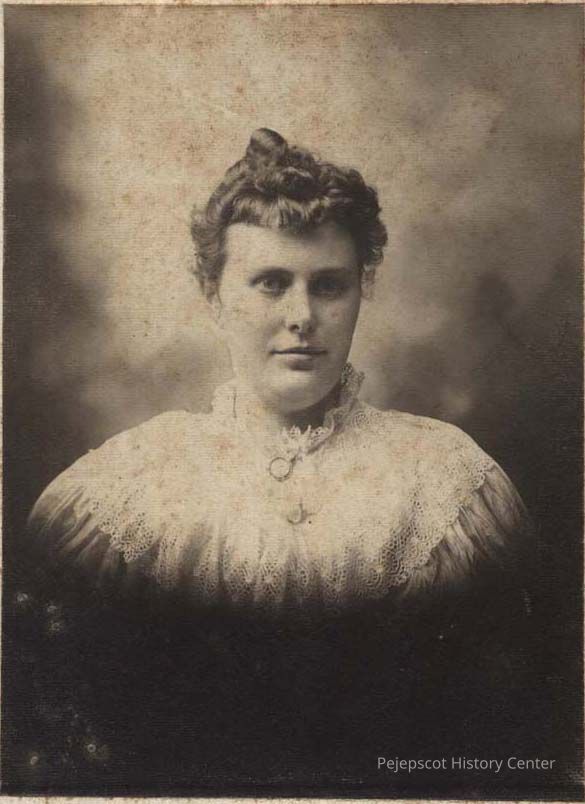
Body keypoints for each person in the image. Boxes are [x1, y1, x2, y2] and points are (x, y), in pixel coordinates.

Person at [15, 129, 540, 795]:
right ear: (213, 295)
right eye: (270, 283)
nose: (302, 316)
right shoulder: (122, 491)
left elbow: (513, 736)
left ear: (360, 290)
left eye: (329, 285)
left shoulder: (449, 485)